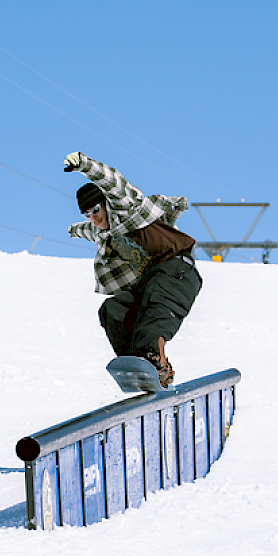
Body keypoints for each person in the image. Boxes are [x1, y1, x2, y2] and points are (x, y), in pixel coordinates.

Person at [63, 151, 202, 387]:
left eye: (95, 210)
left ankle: (155, 360)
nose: (93, 218)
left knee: (155, 304)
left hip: (178, 270)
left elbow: (112, 181)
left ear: (106, 203)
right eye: (87, 215)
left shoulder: (125, 209)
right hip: (151, 280)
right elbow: (87, 230)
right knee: (113, 309)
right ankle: (137, 362)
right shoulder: (101, 230)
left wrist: (85, 164)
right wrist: (74, 230)